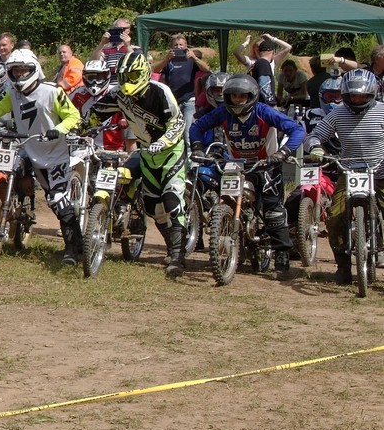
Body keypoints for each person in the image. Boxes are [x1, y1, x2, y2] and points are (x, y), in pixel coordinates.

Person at [190, 73, 305, 278]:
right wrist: (198, 148)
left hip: (266, 165)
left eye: (242, 97)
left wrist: (282, 153)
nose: (237, 100)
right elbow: (197, 126)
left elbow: (297, 130)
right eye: (233, 97)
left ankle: (282, 254)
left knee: (273, 210)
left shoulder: (265, 112)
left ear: (251, 96)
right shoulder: (222, 113)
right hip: (236, 164)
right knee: (223, 198)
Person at [0, 49, 86, 264]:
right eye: (15, 71)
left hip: (54, 154)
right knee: (5, 170)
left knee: (57, 200)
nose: (19, 75)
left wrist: (60, 129)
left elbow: (74, 116)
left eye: (23, 70)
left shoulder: (52, 92)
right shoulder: (13, 93)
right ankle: (12, 211)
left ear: (34, 69)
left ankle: (74, 246)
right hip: (27, 148)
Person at [113, 51, 191, 278]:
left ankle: (178, 258)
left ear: (145, 73)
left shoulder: (161, 91)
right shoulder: (121, 95)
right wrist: (82, 125)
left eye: (133, 75)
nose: (128, 81)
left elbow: (178, 124)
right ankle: (171, 244)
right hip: (147, 154)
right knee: (152, 207)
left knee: (171, 200)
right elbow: (98, 110)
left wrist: (164, 142)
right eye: (124, 77)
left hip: (171, 151)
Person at [305, 69, 384, 285]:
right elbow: (315, 135)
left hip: (380, 172)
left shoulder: (382, 112)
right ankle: (342, 264)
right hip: (348, 172)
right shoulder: (338, 113)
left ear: (371, 94)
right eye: (353, 96)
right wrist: (315, 148)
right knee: (336, 217)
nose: (357, 99)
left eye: (362, 96)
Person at [159, 34, 210, 129]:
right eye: (175, 45)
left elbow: (206, 69)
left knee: (188, 131)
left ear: (186, 46)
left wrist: (194, 58)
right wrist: (166, 59)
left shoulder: (191, 59)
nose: (178, 47)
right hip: (172, 100)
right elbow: (155, 70)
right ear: (171, 47)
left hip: (188, 99)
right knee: (174, 130)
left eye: (181, 45)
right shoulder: (169, 60)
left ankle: (190, 144)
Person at [237, 34, 293, 103]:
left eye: (263, 46)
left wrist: (272, 38)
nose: (260, 48)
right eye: (258, 47)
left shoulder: (272, 61)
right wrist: (246, 42)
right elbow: (236, 53)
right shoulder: (251, 61)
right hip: (260, 100)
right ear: (254, 49)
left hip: (266, 98)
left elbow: (288, 47)